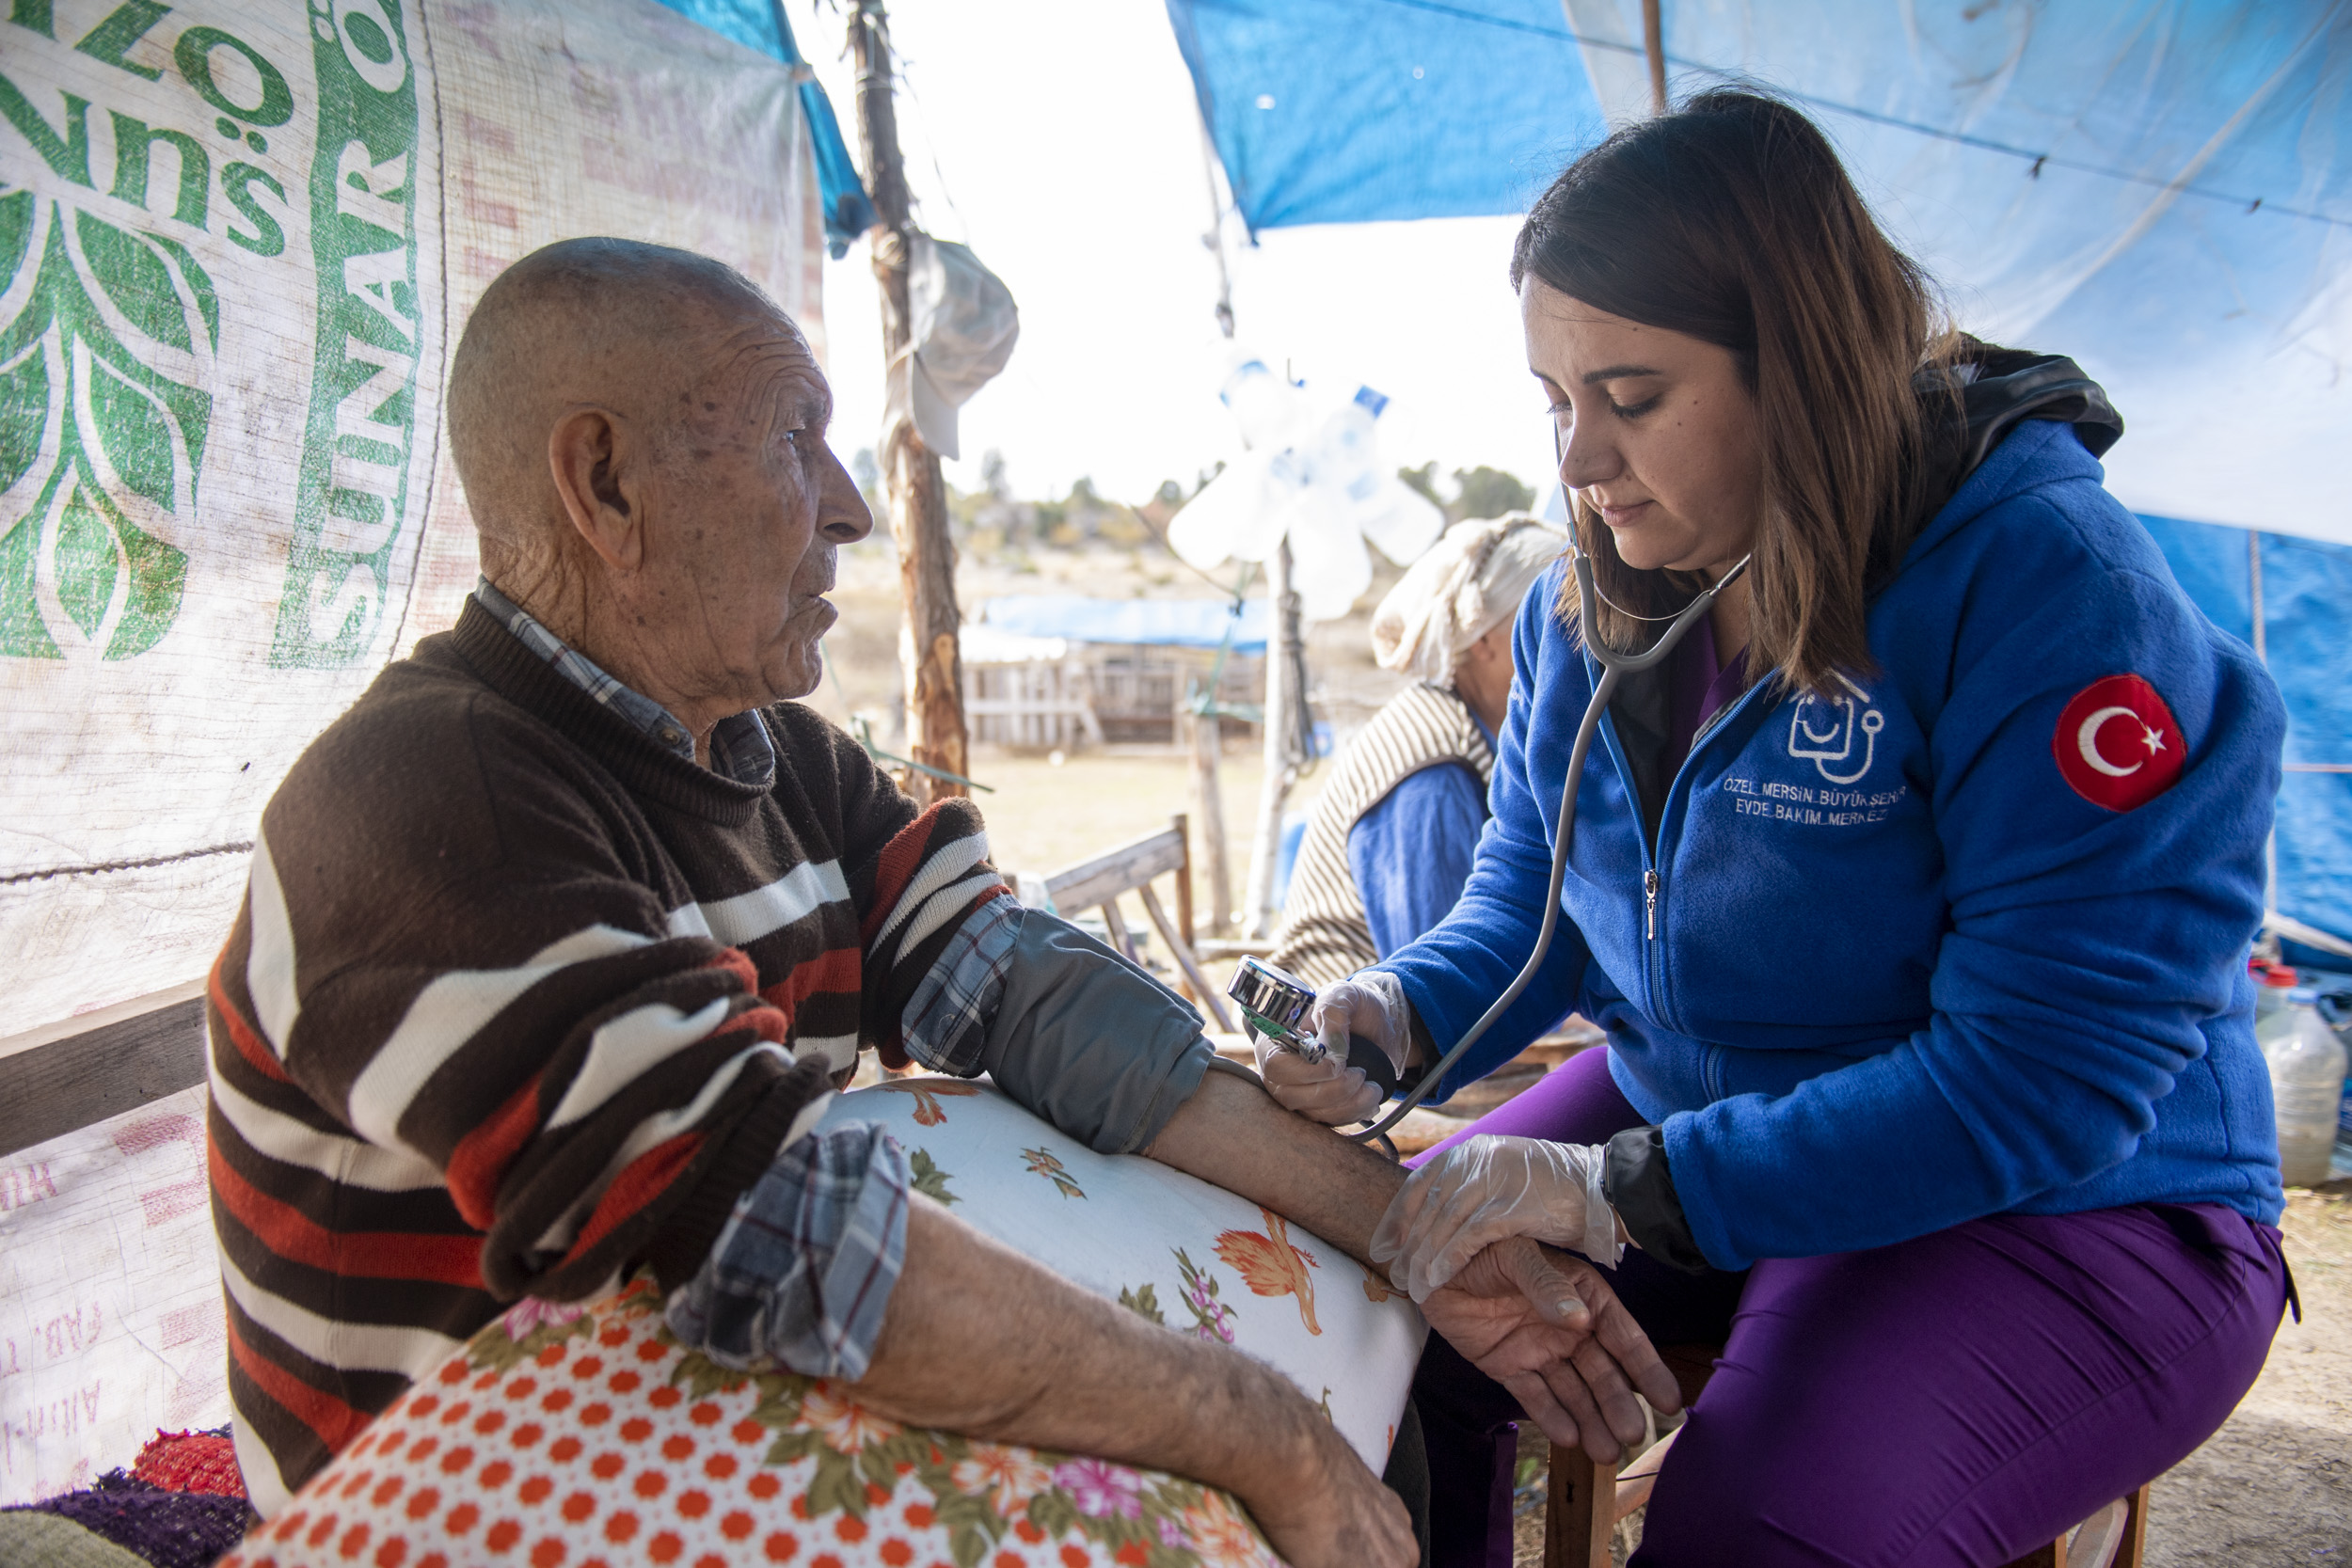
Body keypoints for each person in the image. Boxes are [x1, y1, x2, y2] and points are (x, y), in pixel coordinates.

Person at [204, 236, 1654, 1568]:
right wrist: (1258, 1425)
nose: (848, 504)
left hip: (683, 1405)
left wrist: (1412, 1233)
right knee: (1243, 1466)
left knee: (1350, 1375)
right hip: (475, 1492)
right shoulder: (429, 797)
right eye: (794, 437)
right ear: (606, 483)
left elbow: (1047, 1013)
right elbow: (766, 1225)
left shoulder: (784, 764)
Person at [1291, 93, 2295, 1566]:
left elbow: (2048, 1074)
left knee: (1756, 1525)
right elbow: (1530, 905)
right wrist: (1390, 1015)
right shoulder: (1593, 598)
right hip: (1698, 1119)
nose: (1578, 461)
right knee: (1360, 1323)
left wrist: (1628, 1187)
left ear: (1806, 371)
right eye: (1556, 400)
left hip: (2068, 1190)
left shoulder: (2051, 593)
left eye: (1631, 397)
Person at [1270, 515, 1566, 1004]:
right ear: (1482, 637)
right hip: (1341, 1039)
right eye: (1551, 620)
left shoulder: (1466, 729)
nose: (1574, 644)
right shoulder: (1434, 771)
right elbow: (1445, 986)